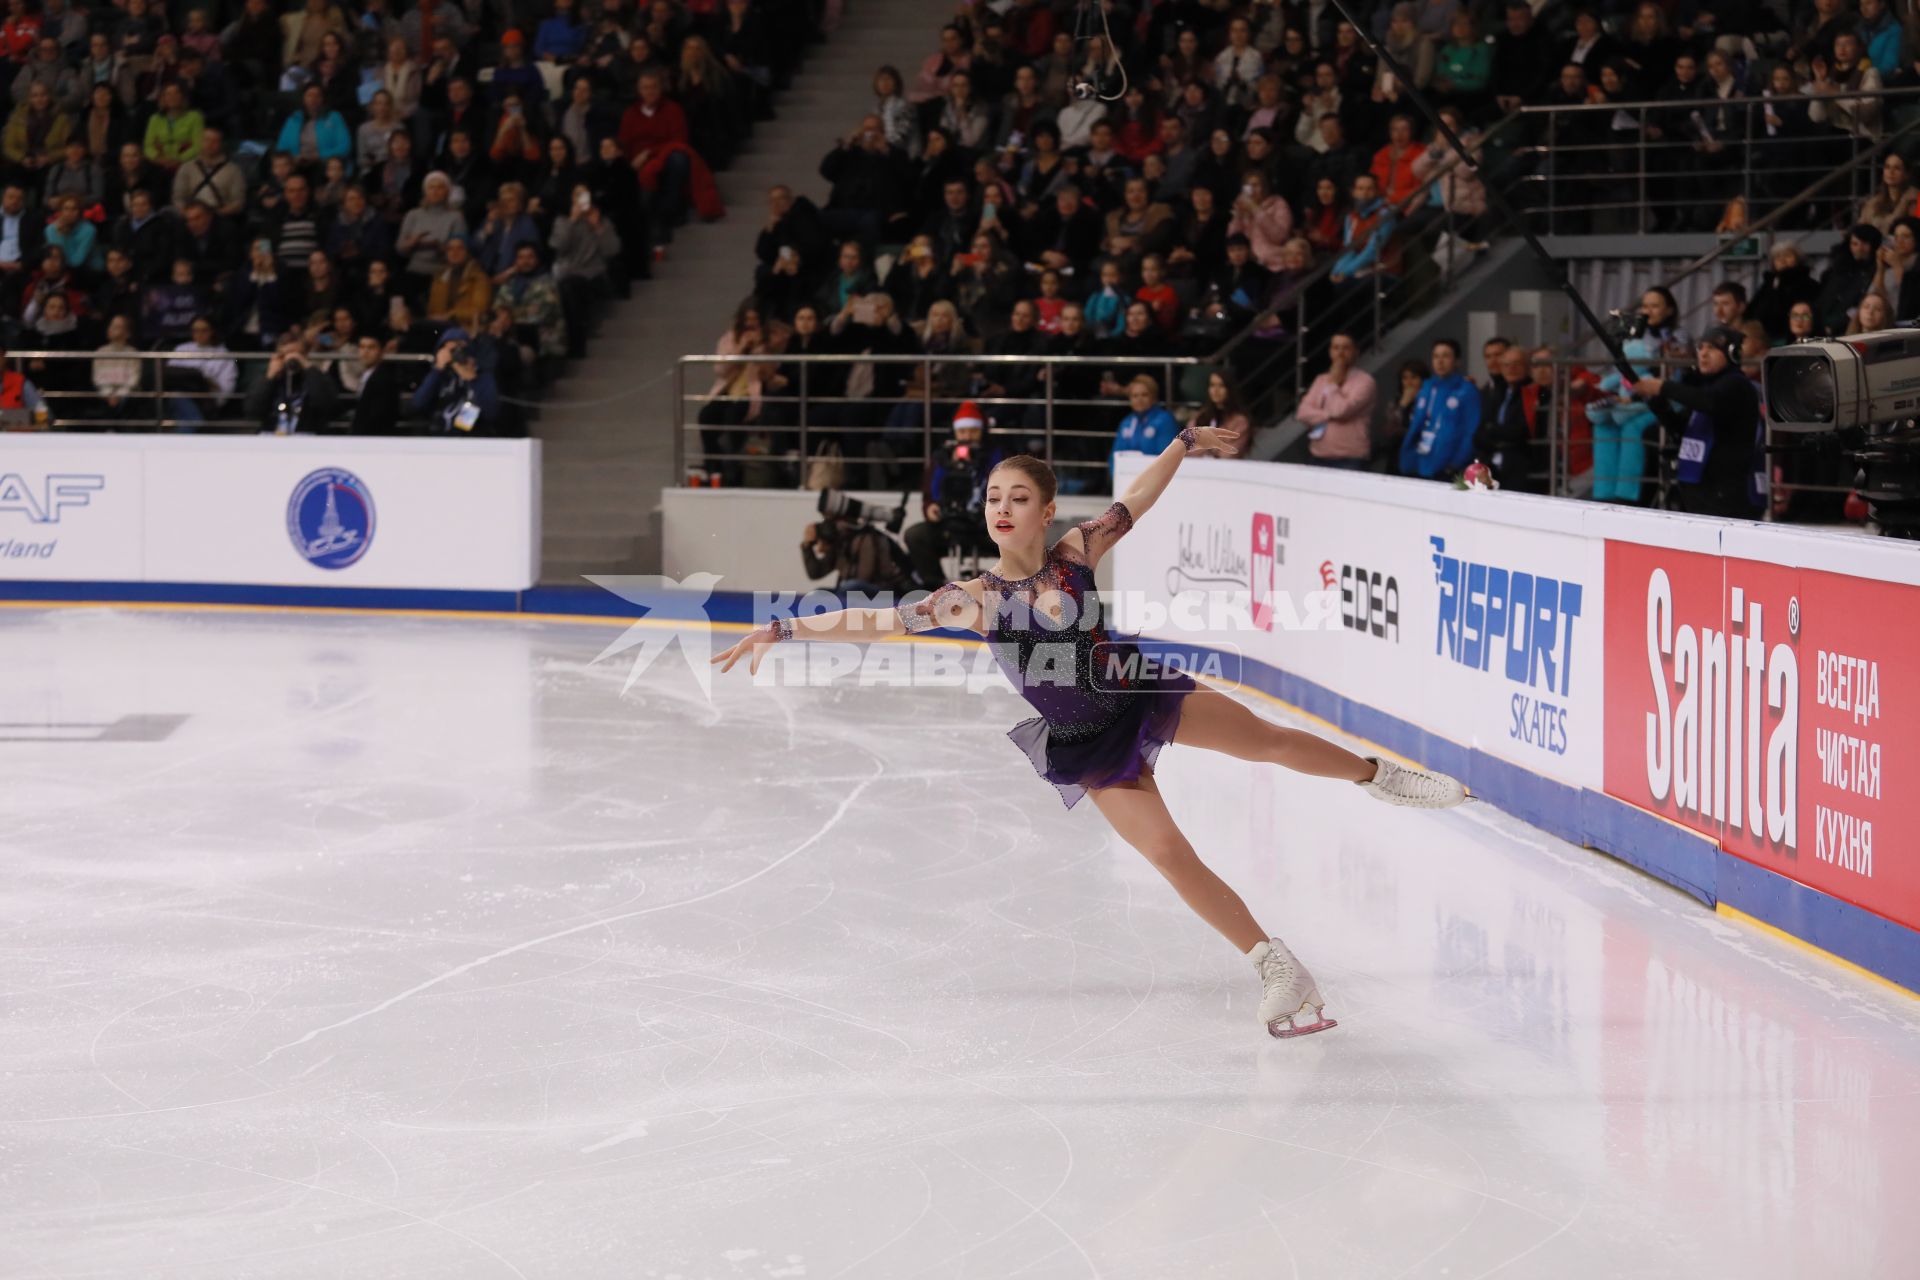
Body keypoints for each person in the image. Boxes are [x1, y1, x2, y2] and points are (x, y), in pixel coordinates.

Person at [713, 438, 1467, 1040]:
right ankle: (1279, 967)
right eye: (994, 499)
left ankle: (1379, 775)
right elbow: (877, 619)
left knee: (1264, 740)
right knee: (1171, 856)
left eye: (1018, 498)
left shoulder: (1076, 553)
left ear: (1045, 512)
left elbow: (1133, 501)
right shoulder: (970, 599)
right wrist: (784, 626)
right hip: (1083, 739)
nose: (1002, 509)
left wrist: (1179, 445)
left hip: (1139, 693)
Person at [1635, 326, 1760, 518]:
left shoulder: (1737, 385)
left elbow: (1709, 402)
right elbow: (1681, 428)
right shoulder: (1708, 387)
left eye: (1711, 348)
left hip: (1727, 493)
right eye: (1700, 347)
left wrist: (1663, 387)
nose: (1703, 353)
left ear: (1731, 353)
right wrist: (1656, 401)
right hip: (1702, 489)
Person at [1398, 337, 1478, 479]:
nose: (1440, 361)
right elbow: (1416, 425)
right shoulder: (1427, 387)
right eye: (1436, 356)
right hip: (1419, 461)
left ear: (1457, 361)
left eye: (1446, 356)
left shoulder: (1467, 391)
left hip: (1447, 466)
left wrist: (1456, 464)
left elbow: (1471, 431)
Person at [1297, 331, 1376, 468]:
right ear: (1330, 352)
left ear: (1355, 352)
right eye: (1336, 348)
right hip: (1318, 454)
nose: (1340, 353)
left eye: (1346, 348)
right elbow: (1302, 413)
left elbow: (1340, 411)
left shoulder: (1365, 381)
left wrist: (1333, 382)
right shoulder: (1321, 380)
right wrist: (1328, 415)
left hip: (1351, 457)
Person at [244, 330, 340, 433]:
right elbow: (252, 411)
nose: (291, 359)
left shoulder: (317, 376)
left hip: (307, 435)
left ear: (305, 355)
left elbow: (328, 406)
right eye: (286, 354)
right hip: (273, 434)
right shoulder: (270, 378)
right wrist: (270, 376)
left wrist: (309, 369)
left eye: (297, 354)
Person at [348, 332, 402, 435]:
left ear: (381, 351)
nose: (365, 352)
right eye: (362, 347)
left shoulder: (385, 378)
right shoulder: (367, 375)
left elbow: (380, 416)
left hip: (374, 439)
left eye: (371, 347)